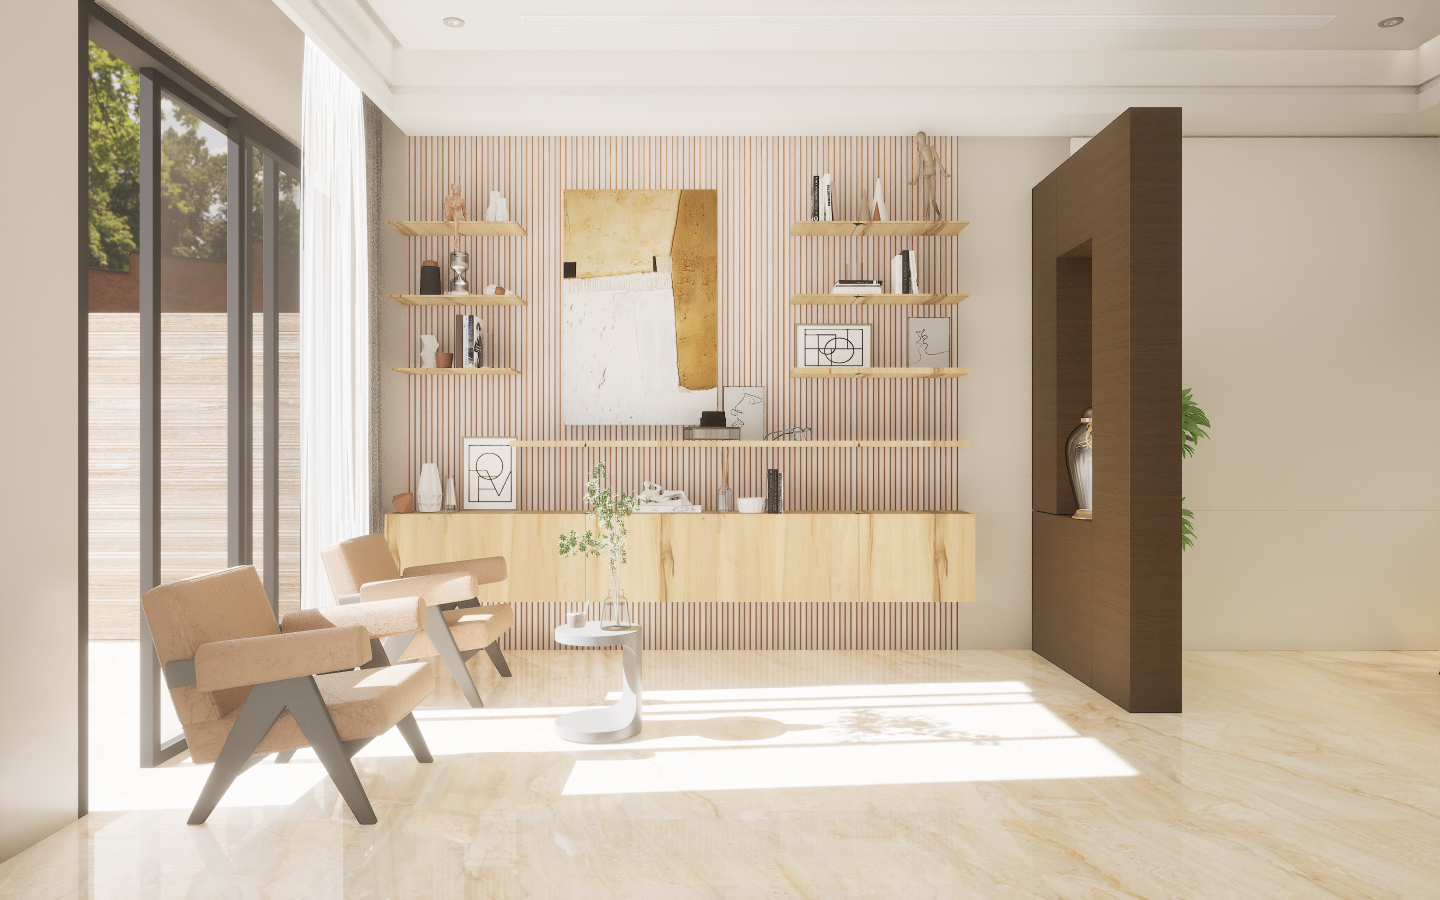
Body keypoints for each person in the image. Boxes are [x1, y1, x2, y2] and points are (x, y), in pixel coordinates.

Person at [907, 132, 949, 221]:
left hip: (929, 171)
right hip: (928, 171)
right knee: (929, 198)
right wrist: (914, 182)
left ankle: (937, 215)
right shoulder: (927, 149)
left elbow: (920, 169)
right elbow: (937, 162)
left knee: (931, 198)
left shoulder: (926, 149)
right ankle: (926, 216)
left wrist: (914, 182)